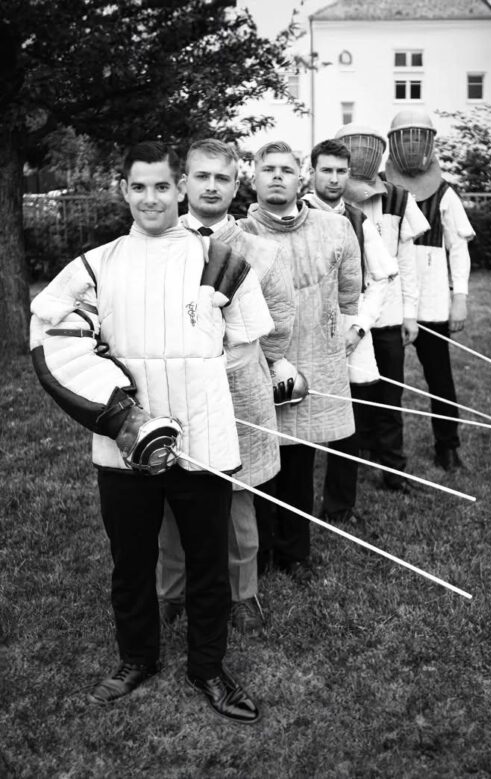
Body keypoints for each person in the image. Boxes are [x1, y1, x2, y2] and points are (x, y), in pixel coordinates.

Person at [29, 141, 270, 723]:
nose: (150, 198)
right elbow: (50, 331)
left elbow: (245, 343)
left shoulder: (222, 261)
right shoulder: (96, 264)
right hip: (124, 445)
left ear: (180, 189)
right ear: (123, 191)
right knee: (131, 559)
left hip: (204, 439)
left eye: (162, 186)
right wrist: (117, 409)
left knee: (207, 561)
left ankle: (208, 668)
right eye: (139, 187)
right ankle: (137, 657)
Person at [156, 139, 296, 635]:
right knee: (173, 489)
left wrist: (236, 356)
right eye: (201, 176)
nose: (211, 186)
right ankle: (170, 591)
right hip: (172, 389)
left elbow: (280, 321)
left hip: (239, 389)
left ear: (236, 184)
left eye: (222, 177)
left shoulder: (260, 250)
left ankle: (242, 594)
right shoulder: (156, 244)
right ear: (183, 183)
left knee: (238, 494)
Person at [239, 140, 364, 584]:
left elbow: (350, 294)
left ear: (301, 178)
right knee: (259, 462)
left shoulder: (335, 229)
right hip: (256, 369)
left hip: (315, 363)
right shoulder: (236, 237)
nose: (276, 176)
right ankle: (262, 550)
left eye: (285, 169)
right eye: (267, 168)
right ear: (252, 177)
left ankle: (296, 552)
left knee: (299, 465)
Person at [302, 138, 398, 523]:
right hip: (304, 334)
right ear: (312, 173)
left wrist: (359, 328)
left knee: (348, 423)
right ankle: (295, 506)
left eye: (342, 171)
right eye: (327, 170)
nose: (334, 178)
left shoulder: (357, 219)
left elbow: (383, 278)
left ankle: (340, 505)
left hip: (348, 333)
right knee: (302, 418)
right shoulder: (296, 214)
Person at [335, 123, 429, 492]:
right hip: (348, 320)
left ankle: (393, 468)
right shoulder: (330, 200)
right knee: (352, 396)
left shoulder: (398, 199)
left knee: (390, 396)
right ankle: (351, 466)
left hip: (387, 318)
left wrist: (410, 313)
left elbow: (406, 262)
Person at [384, 108, 475, 471]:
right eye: (405, 137)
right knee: (385, 382)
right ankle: (382, 447)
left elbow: (460, 249)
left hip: (434, 304)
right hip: (390, 303)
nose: (412, 145)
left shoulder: (446, 195)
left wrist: (460, 298)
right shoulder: (382, 190)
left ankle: (447, 446)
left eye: (418, 137)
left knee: (440, 379)